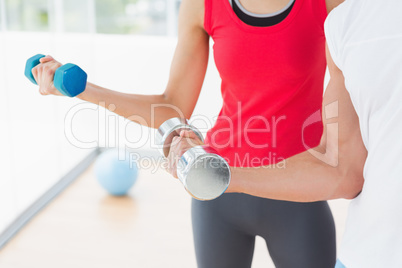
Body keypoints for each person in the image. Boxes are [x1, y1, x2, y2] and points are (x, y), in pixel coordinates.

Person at [32, 0, 343, 267]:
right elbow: (174, 105)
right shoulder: (203, 5)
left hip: (298, 192)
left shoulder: (328, 4)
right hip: (216, 187)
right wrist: (84, 91)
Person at [169, 0, 402, 267]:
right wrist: (217, 173)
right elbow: (343, 170)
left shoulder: (330, 9)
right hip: (362, 254)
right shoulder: (347, 20)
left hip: (301, 206)